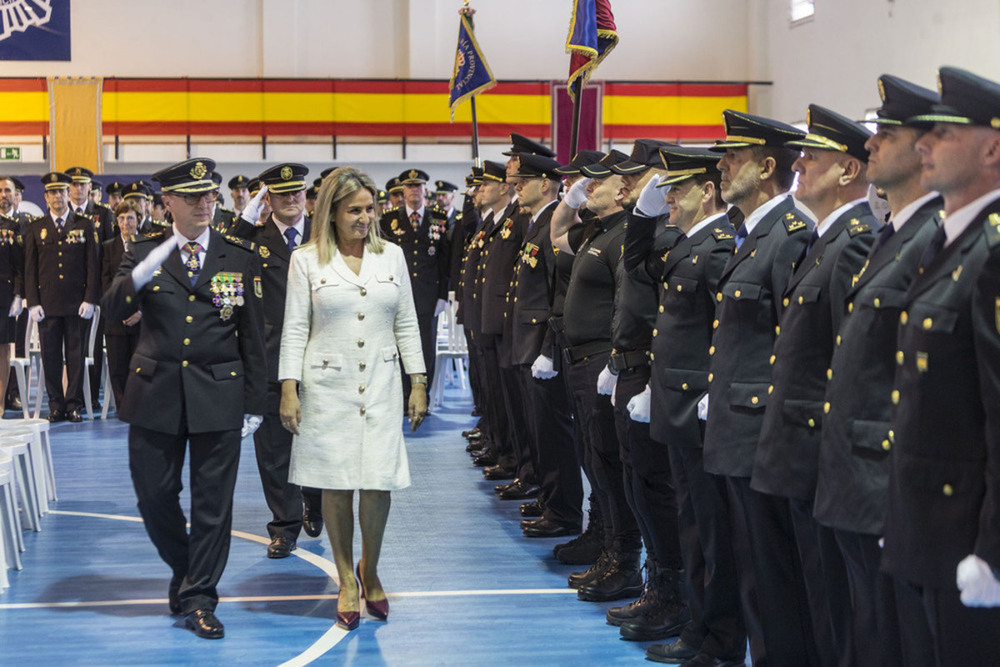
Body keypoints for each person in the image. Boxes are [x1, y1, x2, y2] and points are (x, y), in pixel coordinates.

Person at [102, 157, 266, 640]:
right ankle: (185, 566)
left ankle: (199, 596)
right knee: (154, 494)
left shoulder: (237, 251)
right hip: (154, 392)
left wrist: (256, 402)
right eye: (192, 197)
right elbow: (113, 311)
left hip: (219, 390)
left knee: (214, 504)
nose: (203, 204)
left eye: (209, 195)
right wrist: (138, 271)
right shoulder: (146, 248)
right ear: (167, 202)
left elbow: (254, 334)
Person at [812, 75, 942, 667]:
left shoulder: (932, 239)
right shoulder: (893, 236)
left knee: (897, 638)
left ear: (924, 148)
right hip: (855, 475)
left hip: (884, 476)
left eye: (886, 134)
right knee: (870, 631)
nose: (870, 146)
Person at [881, 66, 1000, 665]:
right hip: (925, 523)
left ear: (993, 146)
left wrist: (995, 550)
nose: (923, 143)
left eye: (945, 134)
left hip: (966, 535)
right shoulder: (947, 243)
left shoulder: (993, 253)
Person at [751, 104, 877, 665]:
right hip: (797, 446)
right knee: (806, 588)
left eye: (813, 156)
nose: (798, 165)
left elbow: (848, 358)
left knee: (830, 605)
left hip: (814, 445)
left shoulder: (851, 243)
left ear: (848, 170)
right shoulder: (824, 243)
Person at [278, 166, 427, 632]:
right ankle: (346, 578)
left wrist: (417, 379)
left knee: (377, 481)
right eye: (354, 211)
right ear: (331, 213)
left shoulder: (392, 256)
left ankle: (371, 567)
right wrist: (288, 387)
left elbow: (406, 320)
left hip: (382, 384)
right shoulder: (306, 260)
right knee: (336, 482)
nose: (365, 218)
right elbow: (296, 327)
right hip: (326, 386)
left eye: (370, 208)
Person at [702, 110, 815, 665]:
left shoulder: (787, 236)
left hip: (761, 437)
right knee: (752, 574)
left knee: (774, 581)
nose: (721, 165)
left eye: (735, 156)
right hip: (736, 432)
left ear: (768, 166)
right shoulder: (750, 235)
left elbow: (790, 347)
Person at [228, 162, 324, 557]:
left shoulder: (324, 235)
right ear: (267, 200)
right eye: (282, 194)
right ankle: (283, 526)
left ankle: (315, 501)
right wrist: (243, 224)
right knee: (273, 449)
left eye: (297, 192)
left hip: (319, 355)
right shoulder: (253, 239)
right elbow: (226, 273)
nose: (291, 200)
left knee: (318, 439)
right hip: (269, 356)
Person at [25, 172, 101, 423]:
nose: (58, 196)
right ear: (45, 197)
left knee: (76, 357)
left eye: (62, 191)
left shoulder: (84, 225)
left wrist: (90, 299)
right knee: (51, 357)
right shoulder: (36, 228)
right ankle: (56, 405)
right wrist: (33, 302)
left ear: (68, 195)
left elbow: (93, 265)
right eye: (53, 192)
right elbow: (30, 268)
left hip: (76, 303)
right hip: (47, 305)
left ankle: (73, 404)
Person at [101, 200, 144, 412]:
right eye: (121, 218)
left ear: (138, 220)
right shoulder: (108, 248)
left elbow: (153, 282)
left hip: (141, 319)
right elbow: (106, 282)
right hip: (116, 320)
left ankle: (140, 407)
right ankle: (123, 407)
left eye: (130, 218)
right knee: (117, 368)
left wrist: (140, 311)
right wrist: (118, 309)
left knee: (140, 367)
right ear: (116, 221)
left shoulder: (147, 246)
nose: (126, 223)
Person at [0, 202, 24, 409]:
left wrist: (18, 294)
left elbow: (18, 266)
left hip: (3, 297)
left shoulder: (10, 227)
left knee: (2, 350)